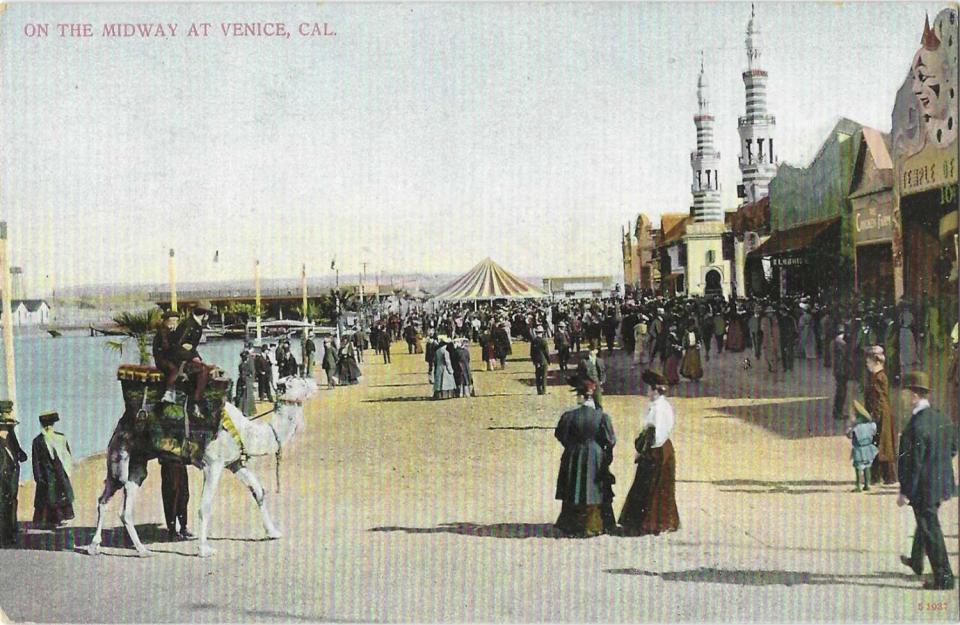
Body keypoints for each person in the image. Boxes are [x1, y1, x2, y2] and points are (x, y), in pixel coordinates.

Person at [897, 371, 957, 590]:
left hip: (924, 487)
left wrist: (905, 491)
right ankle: (916, 560)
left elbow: (913, 464)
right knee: (927, 523)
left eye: (904, 393)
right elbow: (952, 448)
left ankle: (944, 577)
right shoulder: (942, 418)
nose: (902, 397)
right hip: (941, 483)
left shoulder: (915, 426)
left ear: (913, 395)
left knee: (931, 528)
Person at [618, 370, 680, 536]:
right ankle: (657, 521)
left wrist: (642, 450)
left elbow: (655, 434)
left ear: (654, 390)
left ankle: (651, 523)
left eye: (648, 389)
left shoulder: (658, 409)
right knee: (659, 486)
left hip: (656, 451)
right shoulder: (662, 405)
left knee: (651, 485)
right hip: (662, 449)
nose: (647, 392)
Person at [554, 379, 616, 538]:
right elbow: (610, 440)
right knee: (594, 488)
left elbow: (560, 435)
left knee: (574, 487)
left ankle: (571, 525)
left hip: (574, 454)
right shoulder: (602, 417)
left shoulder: (569, 416)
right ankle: (595, 525)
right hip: (595, 455)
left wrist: (572, 446)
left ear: (581, 397)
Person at [166, 301, 218, 416]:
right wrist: (192, 357)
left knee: (205, 367)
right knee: (203, 370)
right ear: (205, 315)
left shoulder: (196, 324)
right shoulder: (189, 324)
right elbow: (177, 346)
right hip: (178, 360)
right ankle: (196, 402)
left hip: (186, 358)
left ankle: (196, 401)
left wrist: (197, 357)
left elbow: (191, 347)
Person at [31, 411, 75, 527]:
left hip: (60, 472)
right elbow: (35, 461)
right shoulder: (37, 441)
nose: (48, 427)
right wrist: (38, 477)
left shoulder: (61, 438)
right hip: (46, 474)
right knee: (48, 497)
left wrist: (67, 471)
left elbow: (67, 455)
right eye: (45, 425)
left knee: (61, 495)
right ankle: (48, 521)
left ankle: (61, 518)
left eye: (50, 424)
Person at [864, 346, 897, 484]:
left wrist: (873, 417)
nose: (866, 363)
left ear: (875, 361)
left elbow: (878, 399)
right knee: (881, 445)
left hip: (879, 415)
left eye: (868, 361)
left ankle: (884, 477)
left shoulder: (878, 377)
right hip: (882, 414)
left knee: (880, 445)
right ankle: (880, 476)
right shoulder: (878, 376)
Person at [0, 404, 27, 546]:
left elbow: (19, 452)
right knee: (3, 504)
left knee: (12, 502)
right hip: (2, 477)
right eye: (7, 413)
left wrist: (21, 455)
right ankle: (5, 535)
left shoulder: (11, 433)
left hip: (12, 474)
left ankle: (11, 530)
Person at [847, 400, 878, 492]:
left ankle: (858, 485)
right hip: (868, 448)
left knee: (858, 466)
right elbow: (874, 433)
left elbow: (849, 435)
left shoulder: (856, 428)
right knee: (867, 466)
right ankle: (867, 484)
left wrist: (850, 427)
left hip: (859, 449)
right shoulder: (871, 425)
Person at [160, 458, 192, 541]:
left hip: (181, 464)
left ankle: (183, 527)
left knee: (184, 496)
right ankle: (172, 531)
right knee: (171, 497)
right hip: (170, 464)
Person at [152, 310, 180, 390]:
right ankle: (169, 391)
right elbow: (166, 347)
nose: (174, 323)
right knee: (174, 369)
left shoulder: (173, 331)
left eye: (176, 321)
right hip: (162, 359)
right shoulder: (163, 332)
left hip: (171, 358)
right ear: (166, 321)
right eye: (172, 320)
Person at [760, 306, 781, 376]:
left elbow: (777, 329)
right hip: (767, 338)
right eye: (769, 313)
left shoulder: (775, 319)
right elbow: (762, 329)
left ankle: (773, 367)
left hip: (774, 338)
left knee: (774, 353)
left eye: (771, 312)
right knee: (767, 353)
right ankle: (770, 365)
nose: (770, 314)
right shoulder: (764, 320)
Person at [530, 326, 551, 395]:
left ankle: (539, 390)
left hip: (537, 361)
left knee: (538, 376)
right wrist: (549, 360)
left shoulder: (533, 341)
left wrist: (534, 361)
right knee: (544, 376)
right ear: (542, 333)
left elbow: (531, 352)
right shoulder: (543, 341)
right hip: (543, 360)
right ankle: (544, 390)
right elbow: (546, 352)